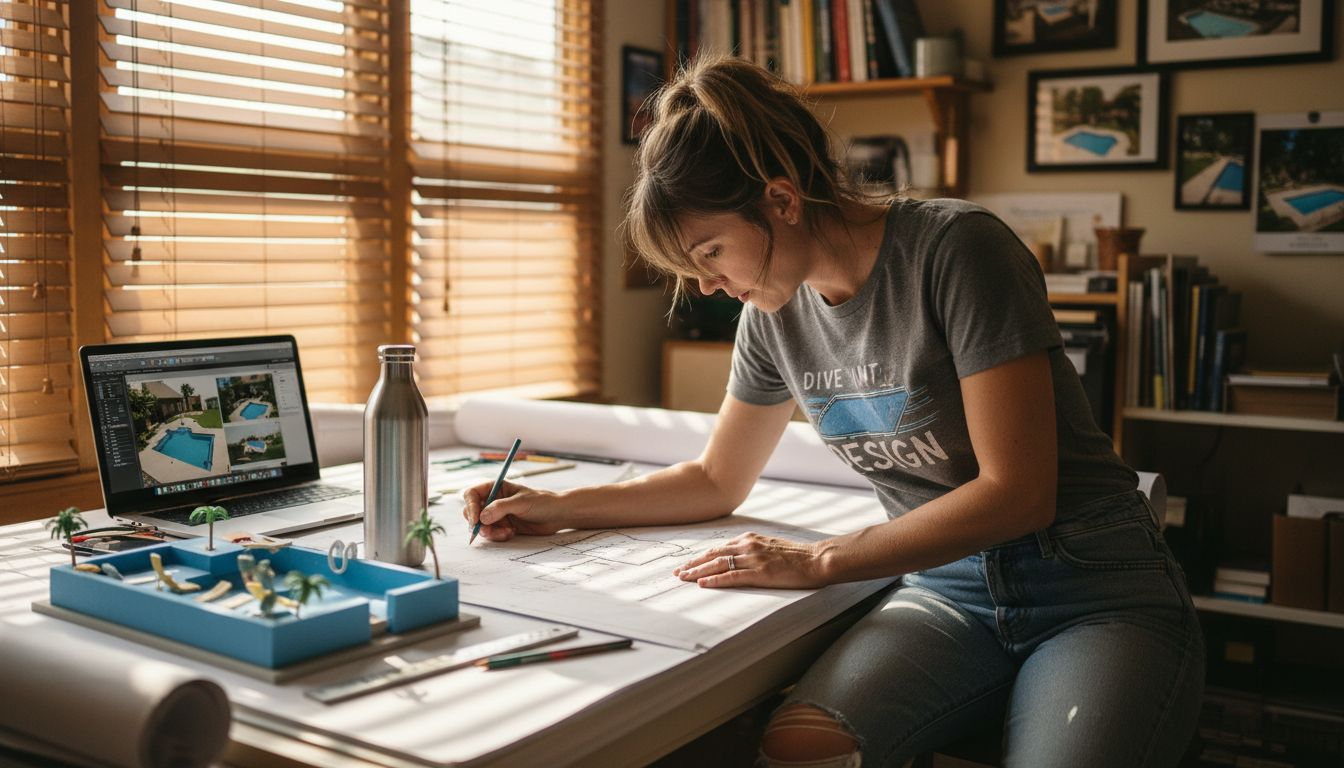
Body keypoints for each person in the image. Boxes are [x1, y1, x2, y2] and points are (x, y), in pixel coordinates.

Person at [463, 55, 1204, 768]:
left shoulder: (956, 251)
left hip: (1092, 586)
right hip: (947, 591)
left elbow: (1019, 493)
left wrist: (819, 560)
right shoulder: (772, 317)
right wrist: (558, 508)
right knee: (799, 748)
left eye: (712, 251)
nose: (712, 285)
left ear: (781, 200)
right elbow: (717, 479)